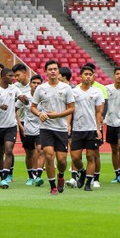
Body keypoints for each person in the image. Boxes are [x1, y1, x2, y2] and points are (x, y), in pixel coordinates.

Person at [31, 60, 75, 195]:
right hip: (46, 128)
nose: (53, 71)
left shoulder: (66, 88)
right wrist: (39, 114)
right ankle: (52, 186)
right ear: (46, 72)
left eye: (55, 69)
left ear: (58, 71)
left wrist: (58, 115)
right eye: (50, 69)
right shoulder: (41, 89)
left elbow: (72, 108)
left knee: (62, 160)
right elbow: (33, 106)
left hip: (60, 128)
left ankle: (60, 176)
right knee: (49, 156)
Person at [69, 65, 105, 191]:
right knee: (75, 157)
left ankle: (88, 183)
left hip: (91, 129)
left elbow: (99, 112)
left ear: (93, 76)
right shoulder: (74, 92)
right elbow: (70, 110)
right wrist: (69, 125)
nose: (88, 76)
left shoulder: (97, 92)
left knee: (91, 156)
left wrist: (98, 128)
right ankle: (82, 171)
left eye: (90, 74)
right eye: (86, 74)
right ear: (80, 76)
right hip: (78, 129)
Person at [0, 68, 25, 189]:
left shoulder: (14, 88)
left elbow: (22, 98)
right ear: (3, 76)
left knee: (8, 150)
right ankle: (2, 176)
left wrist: (24, 99)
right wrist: (0, 106)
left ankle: (5, 178)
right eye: (10, 76)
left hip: (11, 126)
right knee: (0, 153)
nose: (13, 78)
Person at [16, 74, 45, 186]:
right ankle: (30, 177)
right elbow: (15, 110)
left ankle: (38, 176)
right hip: (27, 129)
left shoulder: (45, 97)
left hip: (42, 128)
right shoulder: (25, 97)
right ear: (30, 84)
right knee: (28, 153)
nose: (36, 85)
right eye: (34, 83)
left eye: (38, 83)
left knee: (40, 151)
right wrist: (20, 125)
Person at [105, 67, 120, 184]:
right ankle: (117, 173)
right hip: (110, 121)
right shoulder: (107, 89)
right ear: (114, 76)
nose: (119, 76)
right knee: (114, 149)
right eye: (117, 74)